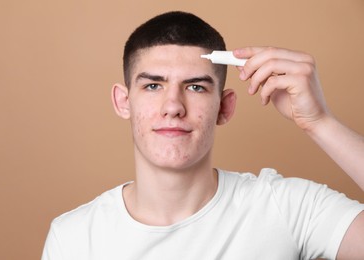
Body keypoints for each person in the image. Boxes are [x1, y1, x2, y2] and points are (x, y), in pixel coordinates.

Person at [42, 11, 364, 260]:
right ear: (123, 101)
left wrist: (320, 123)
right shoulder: (73, 238)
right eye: (153, 85)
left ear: (224, 107)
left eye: (195, 87)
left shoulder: (283, 207)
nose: (173, 106)